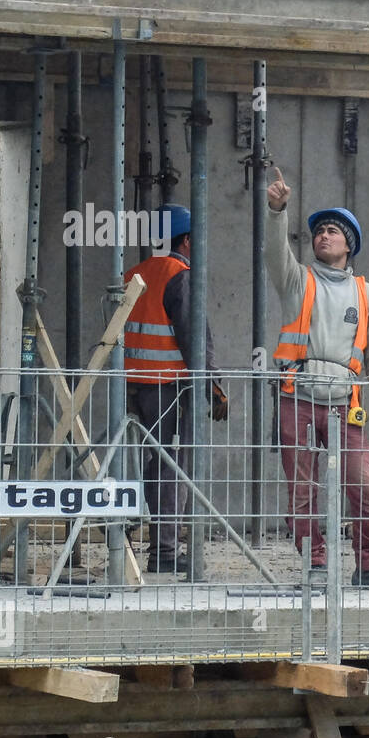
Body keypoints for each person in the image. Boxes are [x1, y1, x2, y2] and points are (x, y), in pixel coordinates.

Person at [265, 168, 369, 587]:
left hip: (346, 404)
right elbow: (275, 253)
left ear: (349, 244)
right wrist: (277, 210)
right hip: (298, 397)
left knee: (363, 487)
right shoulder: (297, 280)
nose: (323, 236)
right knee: (303, 490)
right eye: (319, 231)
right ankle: (317, 565)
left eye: (332, 231)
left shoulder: (367, 294)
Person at [123, 204, 227, 574]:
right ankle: (166, 552)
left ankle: (151, 545)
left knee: (153, 462)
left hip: (135, 385)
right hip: (168, 385)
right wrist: (212, 383)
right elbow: (194, 337)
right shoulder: (179, 275)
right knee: (173, 465)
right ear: (186, 239)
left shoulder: (134, 273)